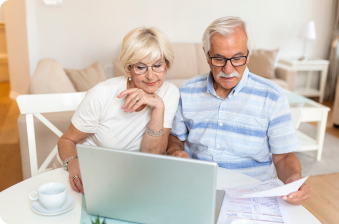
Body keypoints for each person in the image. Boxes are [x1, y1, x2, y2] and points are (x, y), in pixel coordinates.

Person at [166, 16, 311, 205]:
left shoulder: (273, 96)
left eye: (237, 58)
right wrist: (175, 151)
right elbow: (175, 139)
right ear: (206, 54)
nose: (228, 69)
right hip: (196, 188)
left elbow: (283, 156)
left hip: (252, 196)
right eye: (218, 58)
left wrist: (292, 179)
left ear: (249, 54)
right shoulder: (186, 91)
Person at [56, 27, 179, 194]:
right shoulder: (102, 93)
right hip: (91, 174)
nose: (151, 76)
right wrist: (73, 162)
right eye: (141, 67)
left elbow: (154, 154)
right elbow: (66, 140)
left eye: (157, 65)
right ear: (128, 68)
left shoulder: (169, 93)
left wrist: (158, 106)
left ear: (167, 66)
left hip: (132, 177)